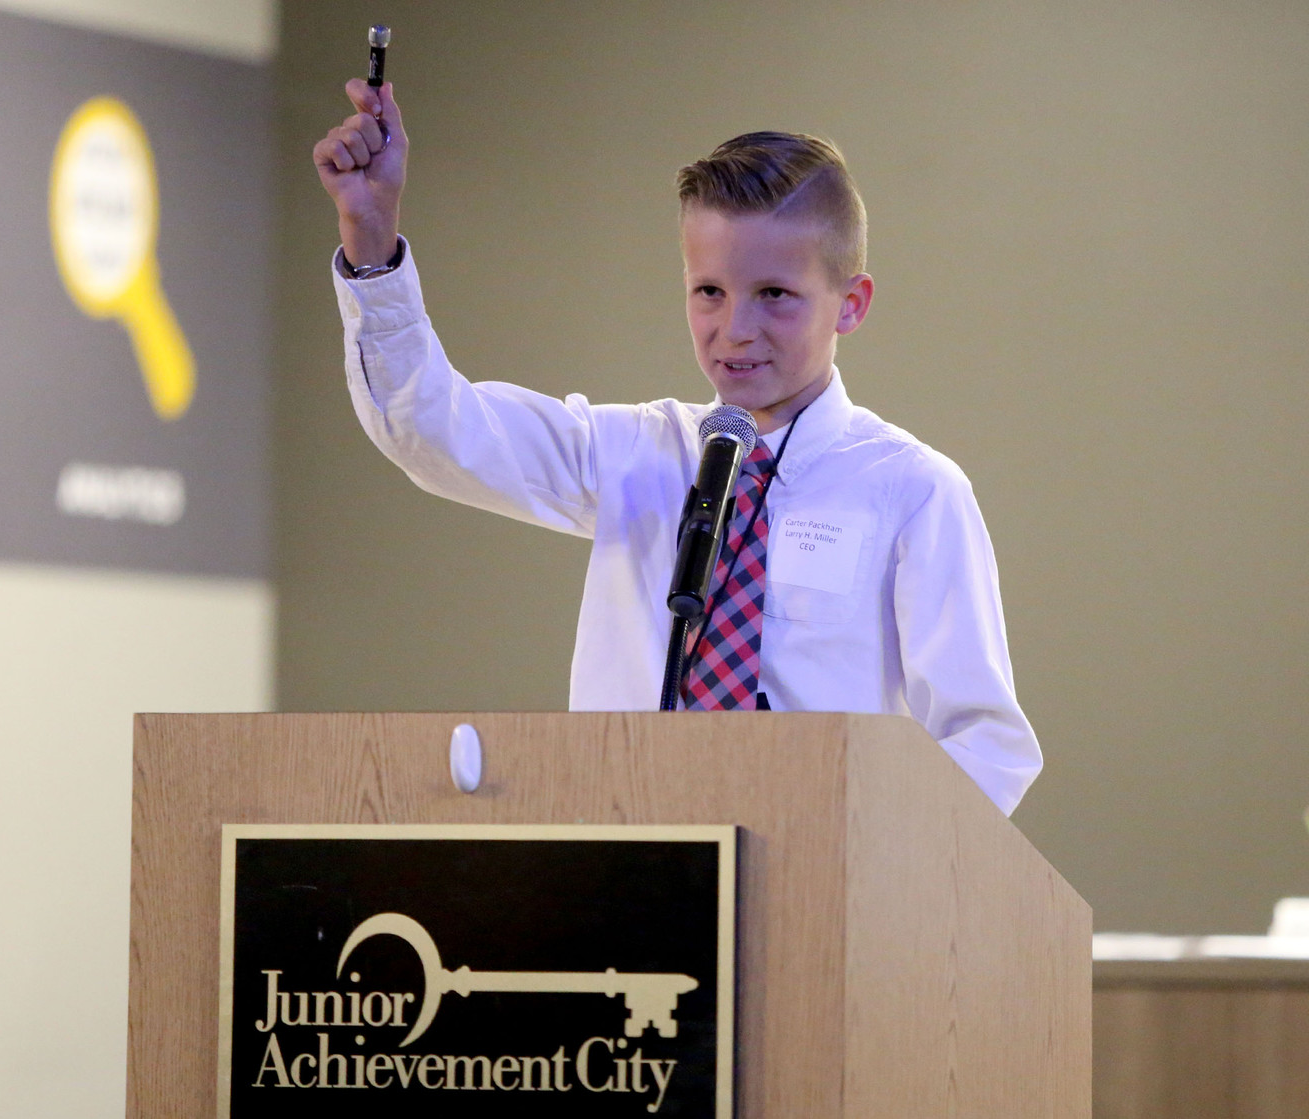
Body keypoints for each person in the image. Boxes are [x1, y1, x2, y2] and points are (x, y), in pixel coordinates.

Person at [314, 79, 1042, 815]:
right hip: (630, 856)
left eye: (774, 294)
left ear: (849, 304)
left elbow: (985, 742)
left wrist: (869, 847)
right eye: (709, 292)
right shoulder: (637, 456)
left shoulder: (910, 490)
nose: (736, 330)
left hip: (820, 862)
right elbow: (435, 428)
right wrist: (371, 242)